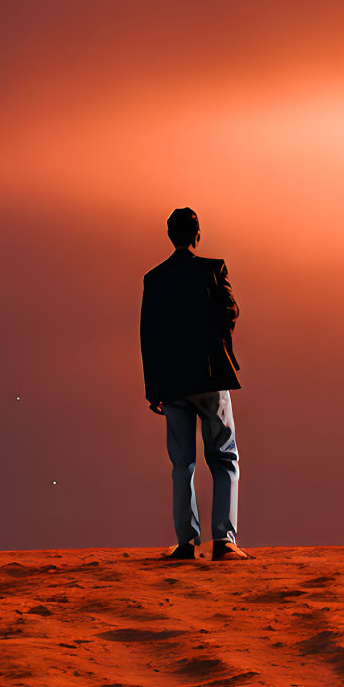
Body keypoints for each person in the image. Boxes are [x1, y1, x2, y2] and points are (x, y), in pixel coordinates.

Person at [140, 208, 247, 561]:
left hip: (172, 382)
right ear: (197, 233)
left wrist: (153, 388)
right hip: (210, 375)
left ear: (170, 235)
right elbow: (229, 310)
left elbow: (148, 336)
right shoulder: (212, 269)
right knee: (223, 457)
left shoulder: (154, 279)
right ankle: (224, 540)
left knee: (181, 462)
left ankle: (186, 541)